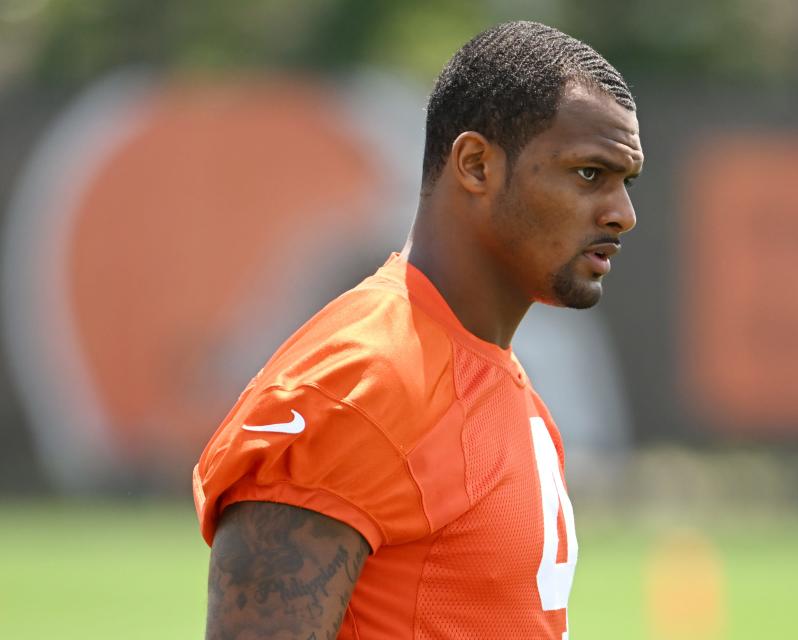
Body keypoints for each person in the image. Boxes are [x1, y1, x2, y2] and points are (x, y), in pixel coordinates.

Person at [193, 20, 642, 640]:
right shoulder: (358, 387)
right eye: (590, 174)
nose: (623, 213)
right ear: (477, 165)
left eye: (626, 181)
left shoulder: (494, 372)